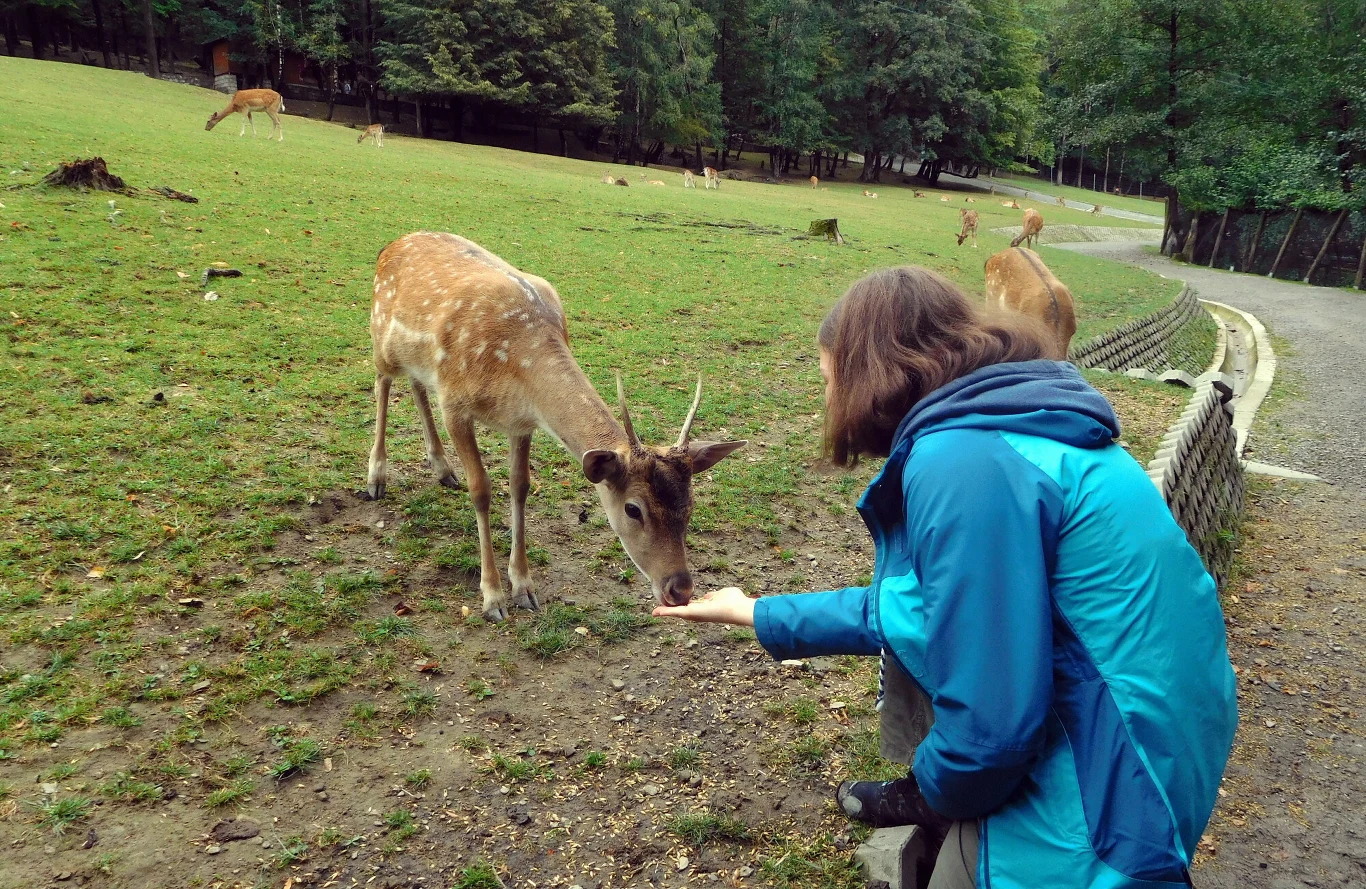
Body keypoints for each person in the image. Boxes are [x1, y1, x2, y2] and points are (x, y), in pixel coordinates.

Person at [654, 267, 1238, 889]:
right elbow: (935, 609)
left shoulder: (961, 461)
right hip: (1165, 734)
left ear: (870, 372)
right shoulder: (1019, 421)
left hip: (1108, 784)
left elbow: (990, 734)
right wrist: (758, 611)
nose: (830, 404)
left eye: (830, 381)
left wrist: (931, 784)